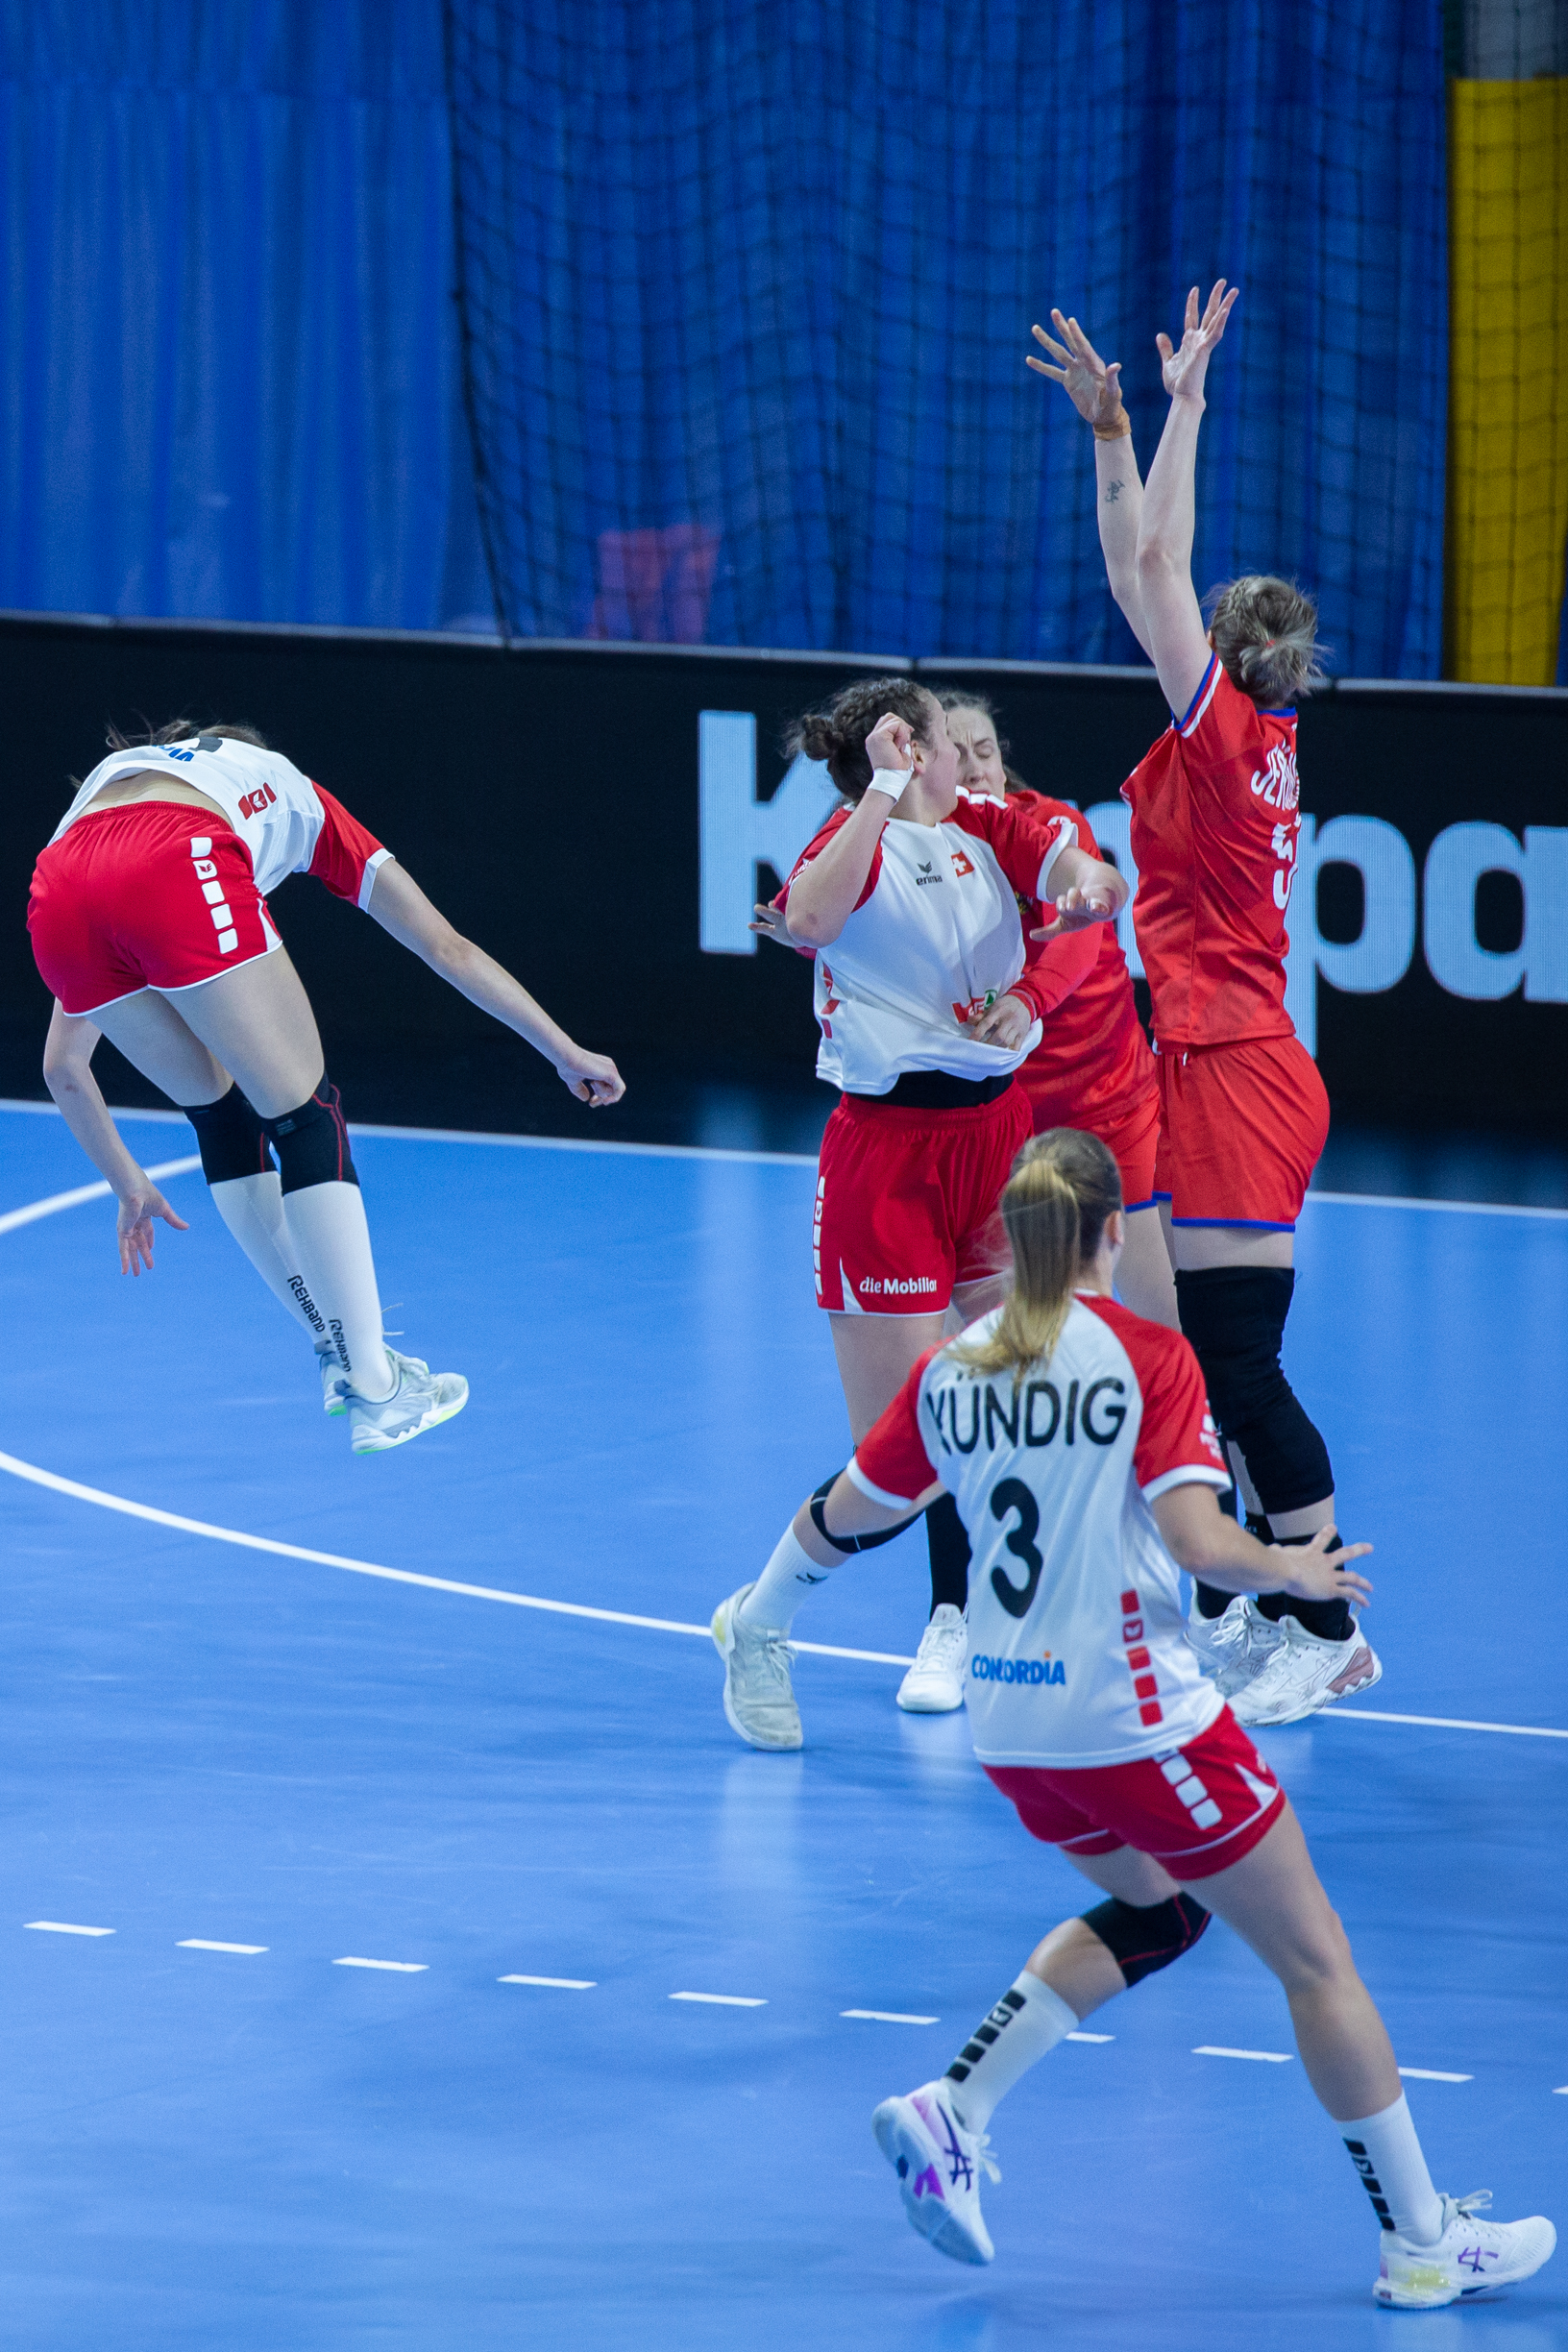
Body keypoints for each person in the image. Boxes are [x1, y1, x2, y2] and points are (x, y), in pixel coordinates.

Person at [718, 1130, 1555, 2313]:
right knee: (1317, 1961)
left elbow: (852, 1511)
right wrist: (1298, 1572)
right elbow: (1201, 1543)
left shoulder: (950, 1370)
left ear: (1007, 1242)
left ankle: (954, 2108)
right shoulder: (1149, 1358)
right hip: (1139, 1722)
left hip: (1013, 1731)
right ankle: (1424, 2241)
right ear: (1115, 1232)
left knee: (1161, 1907)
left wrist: (764, 1605)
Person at [1027, 284, 1380, 1727]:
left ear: (1222, 662)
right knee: (1195, 1358)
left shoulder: (1229, 743)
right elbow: (1148, 573)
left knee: (1239, 1363)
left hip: (1234, 1070)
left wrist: (1153, 422)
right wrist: (1149, 424)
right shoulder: (1260, 732)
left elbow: (1149, 567)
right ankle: (1255, 1608)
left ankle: (1327, 1626)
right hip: (1206, 1061)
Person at [712, 676, 1127, 1732]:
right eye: (946, 741)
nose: (966, 760)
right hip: (886, 1156)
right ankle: (759, 1621)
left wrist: (1086, 887)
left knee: (1012, 1399)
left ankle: (983, 1621)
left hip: (995, 1143)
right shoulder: (848, 844)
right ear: (908, 753)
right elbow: (809, 920)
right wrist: (880, 792)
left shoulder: (992, 824)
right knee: (905, 1452)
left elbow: (1083, 870)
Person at [29, 718, 624, 1455]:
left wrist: (126, 1182)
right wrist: (562, 1050)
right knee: (306, 1116)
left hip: (54, 889)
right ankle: (376, 1387)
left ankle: (336, 1352)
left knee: (222, 1117)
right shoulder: (294, 792)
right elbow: (447, 948)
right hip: (178, 857)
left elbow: (62, 1068)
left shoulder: (106, 797)